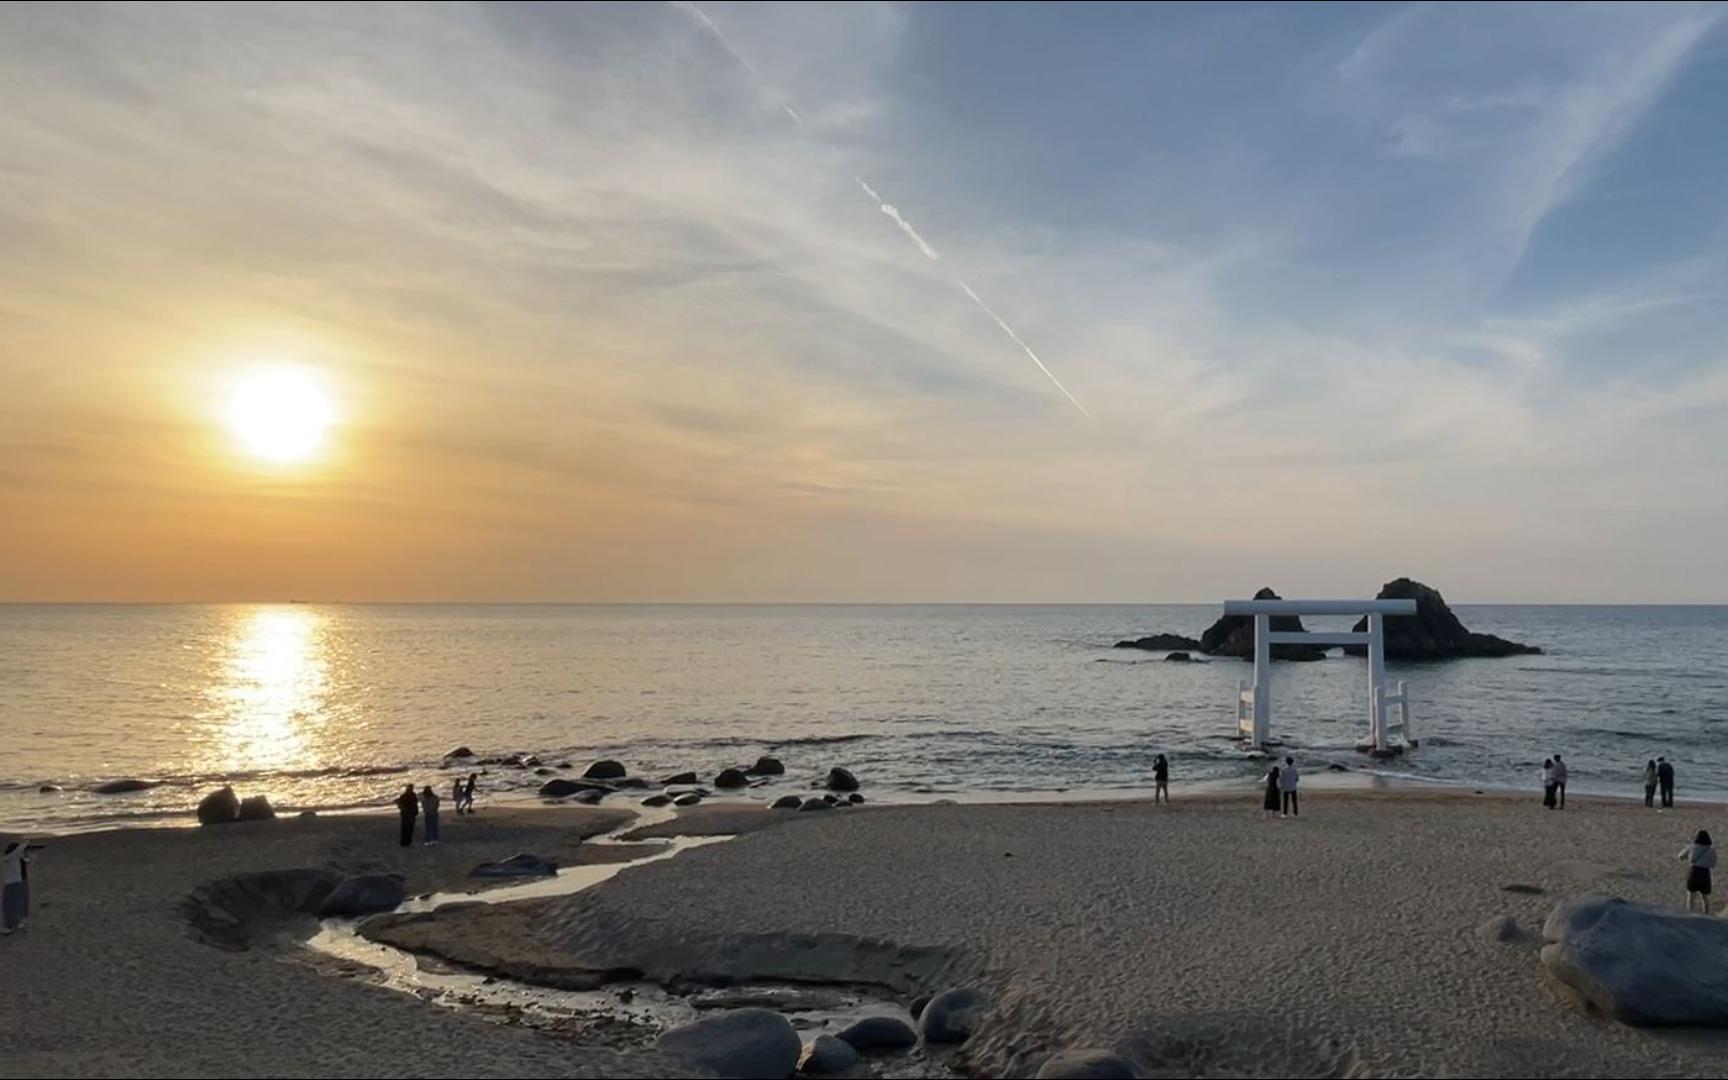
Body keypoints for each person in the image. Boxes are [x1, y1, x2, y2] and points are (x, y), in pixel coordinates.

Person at [1, 839, 35, 935]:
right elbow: (16, 853)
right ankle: (9, 925)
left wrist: (26, 852)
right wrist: (24, 844)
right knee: (11, 905)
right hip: (12, 884)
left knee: (22, 903)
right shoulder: (8, 858)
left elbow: (29, 858)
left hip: (22, 882)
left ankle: (19, 921)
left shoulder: (19, 858)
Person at [1680, 829, 1716, 913]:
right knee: (1705, 896)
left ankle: (1690, 912)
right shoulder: (1711, 850)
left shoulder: (1692, 846)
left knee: (1691, 895)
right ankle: (1706, 913)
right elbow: (1713, 864)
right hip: (1705, 873)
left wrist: (1688, 857)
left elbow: (1680, 856)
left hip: (1694, 871)